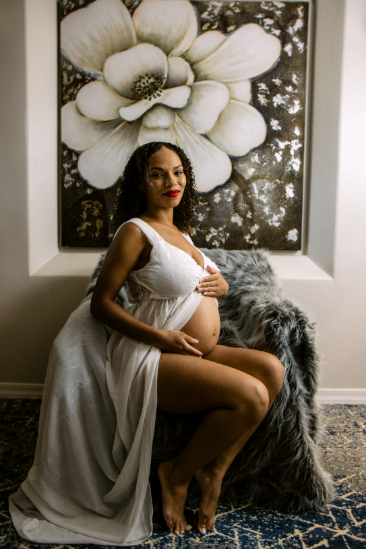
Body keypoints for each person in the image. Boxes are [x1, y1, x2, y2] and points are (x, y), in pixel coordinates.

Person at [90, 141, 285, 539]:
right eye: (157, 173)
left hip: (199, 350)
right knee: (252, 394)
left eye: (177, 171)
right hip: (154, 355)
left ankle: (213, 469)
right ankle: (176, 475)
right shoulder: (135, 231)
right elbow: (102, 304)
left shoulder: (181, 233)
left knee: (272, 369)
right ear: (141, 184)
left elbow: (198, 286)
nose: (171, 181)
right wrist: (161, 336)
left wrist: (224, 284)